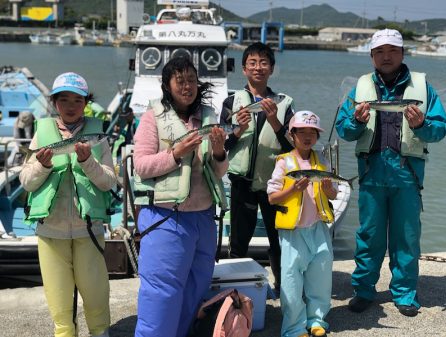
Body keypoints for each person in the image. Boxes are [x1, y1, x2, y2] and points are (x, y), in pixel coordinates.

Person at [335, 29, 446, 317]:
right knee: (369, 235)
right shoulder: (359, 88)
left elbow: (440, 129)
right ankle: (363, 290)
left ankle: (405, 293)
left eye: (393, 51)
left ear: (402, 54)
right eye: (380, 52)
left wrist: (422, 123)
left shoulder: (423, 87)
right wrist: (357, 122)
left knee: (407, 237)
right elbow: (344, 129)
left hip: (407, 176)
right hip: (372, 174)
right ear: (372, 56)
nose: (386, 56)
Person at [133, 56, 228, 337]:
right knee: (161, 295)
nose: (187, 86)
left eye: (191, 80)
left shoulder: (209, 117)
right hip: (165, 218)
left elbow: (219, 171)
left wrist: (221, 152)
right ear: (167, 85)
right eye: (180, 80)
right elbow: (142, 166)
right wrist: (176, 154)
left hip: (203, 218)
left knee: (196, 287)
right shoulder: (153, 117)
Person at [20, 72, 116, 337]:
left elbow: (109, 182)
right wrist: (43, 163)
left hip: (89, 231)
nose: (71, 106)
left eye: (78, 100)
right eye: (64, 100)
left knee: (97, 298)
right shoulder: (43, 133)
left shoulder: (98, 137)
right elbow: (27, 182)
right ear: (54, 103)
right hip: (51, 232)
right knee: (60, 307)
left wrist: (88, 162)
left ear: (86, 102)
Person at [220, 42, 295, 291]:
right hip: (242, 183)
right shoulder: (232, 103)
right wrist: (238, 130)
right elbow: (222, 147)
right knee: (239, 239)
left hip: (275, 183)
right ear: (243, 69)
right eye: (252, 63)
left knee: (278, 238)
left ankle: (283, 287)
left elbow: (292, 148)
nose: (258, 68)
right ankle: (236, 291)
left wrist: (275, 120)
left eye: (264, 63)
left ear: (272, 68)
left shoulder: (283, 104)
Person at [267, 110, 336, 337]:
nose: (307, 137)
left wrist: (329, 191)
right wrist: (292, 189)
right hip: (292, 233)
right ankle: (294, 328)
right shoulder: (284, 163)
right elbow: (272, 197)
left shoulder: (322, 161)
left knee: (321, 276)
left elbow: (333, 194)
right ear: (291, 135)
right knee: (291, 281)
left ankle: (317, 321)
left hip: (318, 229)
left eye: (312, 133)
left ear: (317, 136)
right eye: (301, 132)